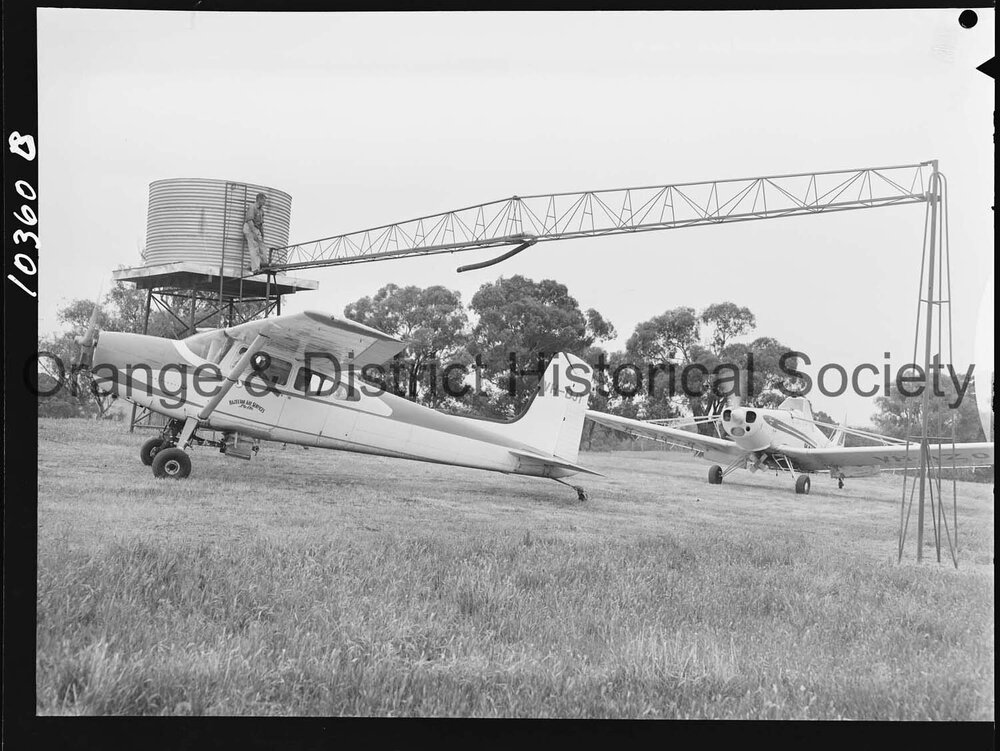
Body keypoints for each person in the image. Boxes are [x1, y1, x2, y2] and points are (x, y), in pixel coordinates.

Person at [243, 192, 269, 273]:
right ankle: (255, 269)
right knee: (254, 248)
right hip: (249, 228)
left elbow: (261, 224)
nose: (264, 203)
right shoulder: (252, 207)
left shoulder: (261, 211)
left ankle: (264, 265)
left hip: (256, 229)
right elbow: (249, 220)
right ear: (259, 199)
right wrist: (254, 232)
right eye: (264, 201)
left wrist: (262, 234)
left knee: (262, 248)